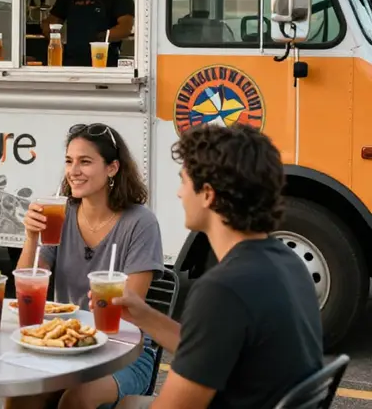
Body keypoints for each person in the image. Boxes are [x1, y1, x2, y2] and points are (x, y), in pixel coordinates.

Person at [111, 124, 323, 409]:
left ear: (208, 194)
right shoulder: (288, 262)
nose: (179, 193)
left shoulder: (223, 289)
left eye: (184, 181)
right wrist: (144, 316)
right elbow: (209, 350)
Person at [5, 123, 164, 409]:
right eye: (69, 161)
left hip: (124, 351)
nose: (73, 171)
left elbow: (130, 308)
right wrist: (31, 237)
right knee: (21, 395)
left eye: (85, 161)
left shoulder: (140, 222)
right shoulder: (60, 214)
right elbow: (27, 290)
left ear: (112, 168)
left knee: (77, 399)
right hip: (68, 345)